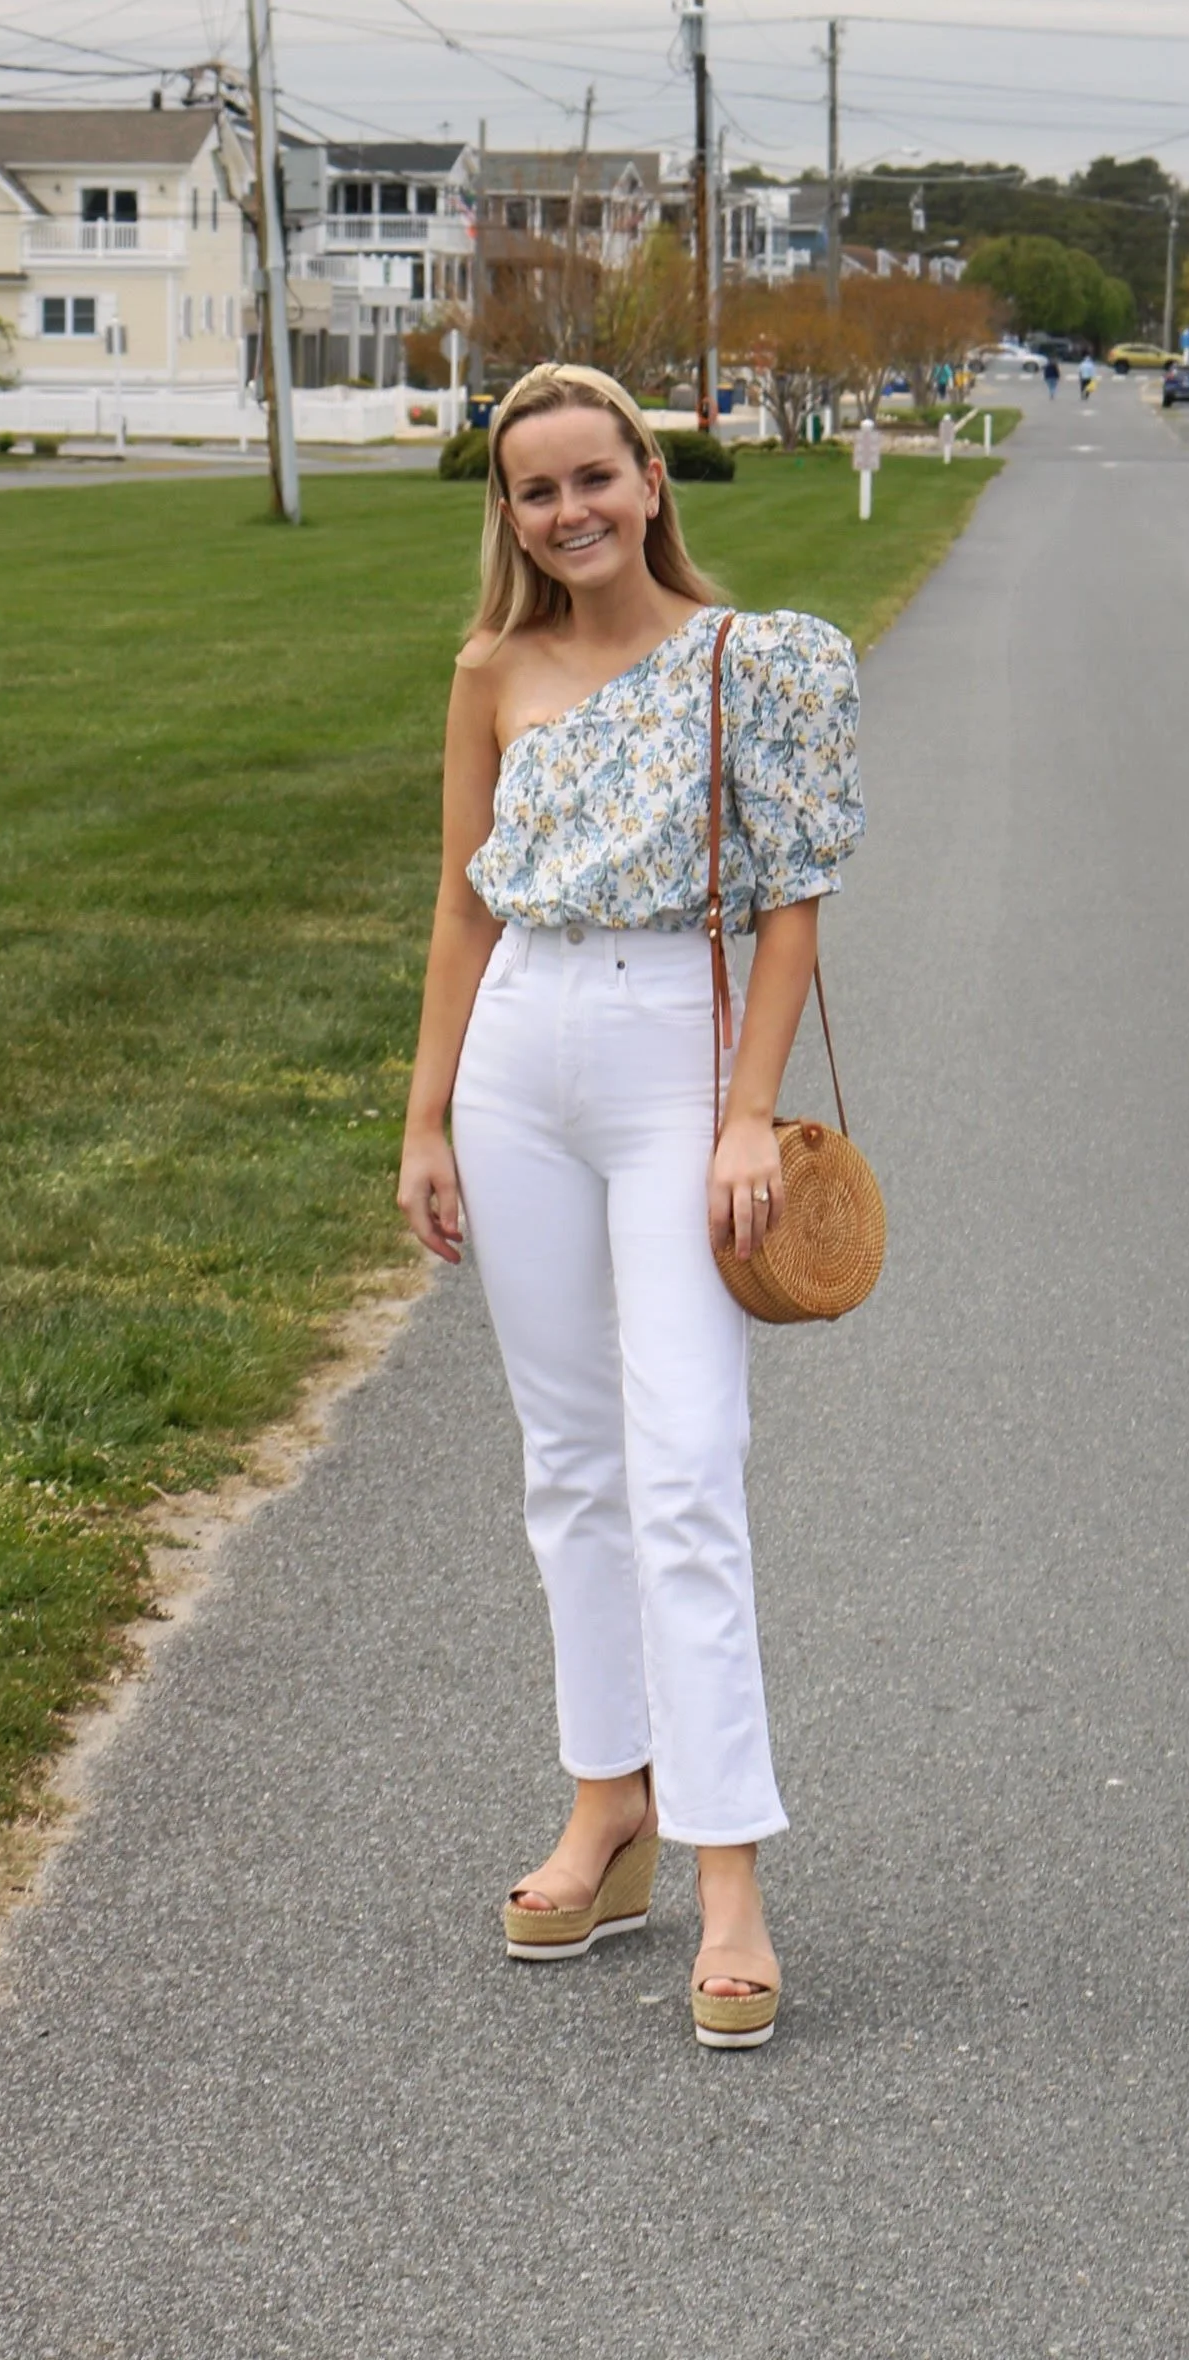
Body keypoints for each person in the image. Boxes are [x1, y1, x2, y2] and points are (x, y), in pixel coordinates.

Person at [397, 360, 863, 2051]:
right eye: (536, 491)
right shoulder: (492, 669)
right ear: (509, 514)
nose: (571, 511)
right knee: (569, 1461)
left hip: (681, 1044)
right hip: (522, 1050)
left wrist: (747, 1120)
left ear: (651, 479)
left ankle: (729, 1874)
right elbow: (463, 906)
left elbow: (795, 905)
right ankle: (609, 1812)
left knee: (686, 1464)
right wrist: (428, 1114)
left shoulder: (758, 665)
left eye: (596, 477)